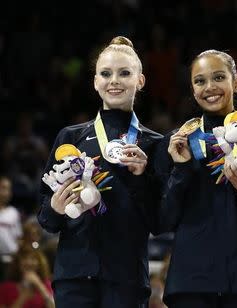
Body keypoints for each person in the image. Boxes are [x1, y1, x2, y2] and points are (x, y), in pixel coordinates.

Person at [37, 36, 163, 308]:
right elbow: (45, 218)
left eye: (124, 73)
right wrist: (56, 208)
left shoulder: (154, 144)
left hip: (127, 279)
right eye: (106, 73)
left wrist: (142, 179)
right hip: (74, 275)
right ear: (95, 82)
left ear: (140, 81)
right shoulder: (70, 137)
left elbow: (159, 222)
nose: (114, 80)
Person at [156, 49, 237, 307]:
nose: (209, 87)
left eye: (219, 77)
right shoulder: (177, 143)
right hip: (189, 285)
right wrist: (182, 170)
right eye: (200, 81)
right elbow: (164, 220)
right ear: (192, 88)